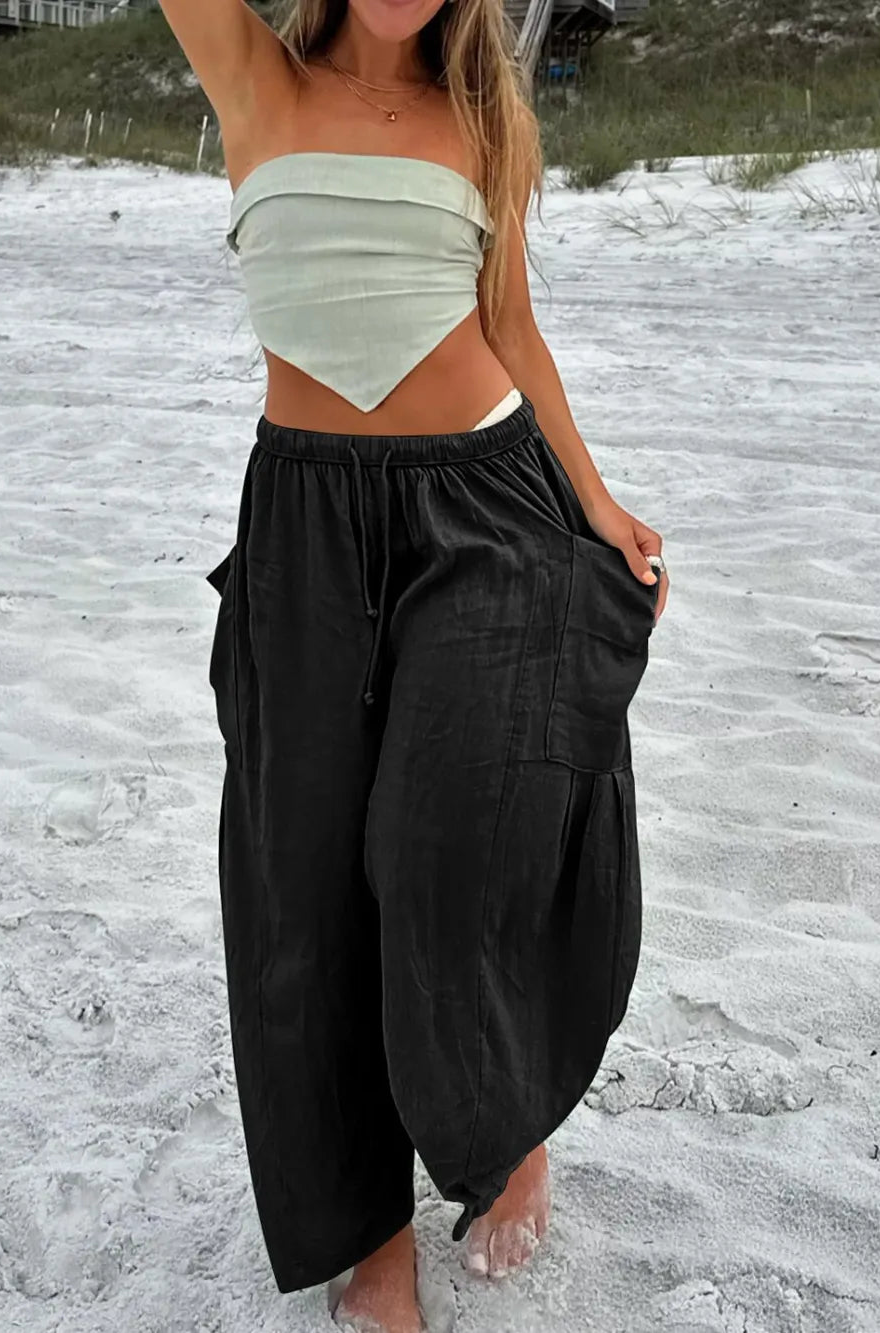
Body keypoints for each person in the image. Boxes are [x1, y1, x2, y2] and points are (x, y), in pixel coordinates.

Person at [160, 1, 669, 1329]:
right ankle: (367, 1234)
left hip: (485, 507)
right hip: (306, 527)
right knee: (304, 883)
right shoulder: (254, 77)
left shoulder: (480, 117)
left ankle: (508, 1122)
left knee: (453, 842)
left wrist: (598, 502)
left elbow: (513, 327)